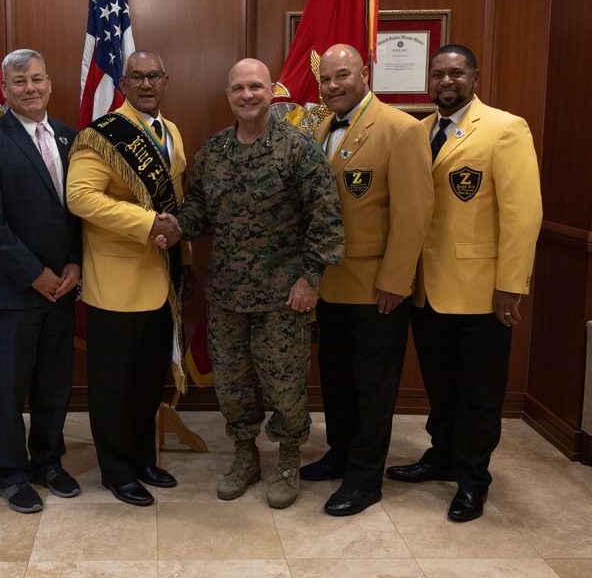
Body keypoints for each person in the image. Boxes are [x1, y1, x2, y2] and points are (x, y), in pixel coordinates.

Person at [161, 58, 344, 509]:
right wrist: (175, 225)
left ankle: (286, 460)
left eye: (256, 86)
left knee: (284, 385)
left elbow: (326, 221)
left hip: (284, 297)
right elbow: (201, 208)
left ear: (270, 90)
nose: (247, 95)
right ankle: (245, 456)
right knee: (233, 385)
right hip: (226, 295)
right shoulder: (214, 151)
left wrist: (310, 280)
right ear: (229, 95)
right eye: (239, 88)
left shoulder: (299, 149)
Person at [384, 44, 543, 522]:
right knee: (442, 384)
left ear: (475, 77)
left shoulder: (504, 128)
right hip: (427, 288)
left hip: (481, 292)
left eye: (456, 73)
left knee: (480, 392)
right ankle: (442, 456)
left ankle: (473, 480)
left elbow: (522, 213)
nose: (446, 81)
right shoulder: (419, 131)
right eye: (438, 74)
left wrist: (511, 284)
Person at [296, 44, 434, 516]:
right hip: (328, 284)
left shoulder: (401, 129)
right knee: (336, 378)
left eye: (342, 76)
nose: (333, 86)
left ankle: (365, 478)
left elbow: (414, 214)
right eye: (326, 80)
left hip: (377, 287)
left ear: (365, 73)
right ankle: (340, 453)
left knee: (373, 384)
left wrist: (396, 280)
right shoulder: (317, 128)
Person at [0, 49, 82, 514]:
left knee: (54, 384)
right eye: (19, 81)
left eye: (36, 79)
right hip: (11, 291)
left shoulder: (73, 140)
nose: (30, 88)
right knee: (8, 391)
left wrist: (73, 264)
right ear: (4, 90)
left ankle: (48, 461)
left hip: (63, 289)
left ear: (49, 82)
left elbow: (78, 213)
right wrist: (35, 275)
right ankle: (11, 473)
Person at [67, 50, 191, 507]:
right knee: (112, 386)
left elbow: (173, 202)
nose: (145, 84)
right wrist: (145, 223)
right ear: (122, 83)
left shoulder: (170, 131)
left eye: (153, 76)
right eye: (136, 76)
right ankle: (116, 470)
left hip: (162, 282)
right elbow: (79, 197)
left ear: (165, 80)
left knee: (145, 382)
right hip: (116, 285)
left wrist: (181, 245)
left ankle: (142, 457)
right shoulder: (100, 136)